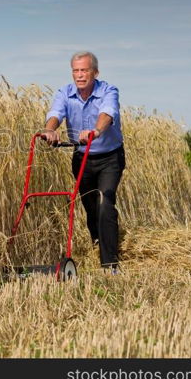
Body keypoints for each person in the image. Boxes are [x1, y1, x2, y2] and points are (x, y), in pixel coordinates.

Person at [41, 51, 125, 274]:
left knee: (105, 202)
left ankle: (110, 264)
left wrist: (96, 131)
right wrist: (50, 130)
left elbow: (108, 113)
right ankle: (98, 243)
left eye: (84, 70)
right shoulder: (65, 93)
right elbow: (56, 112)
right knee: (90, 208)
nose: (80, 75)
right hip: (82, 158)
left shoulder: (108, 90)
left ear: (95, 72)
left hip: (109, 157)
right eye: (76, 71)